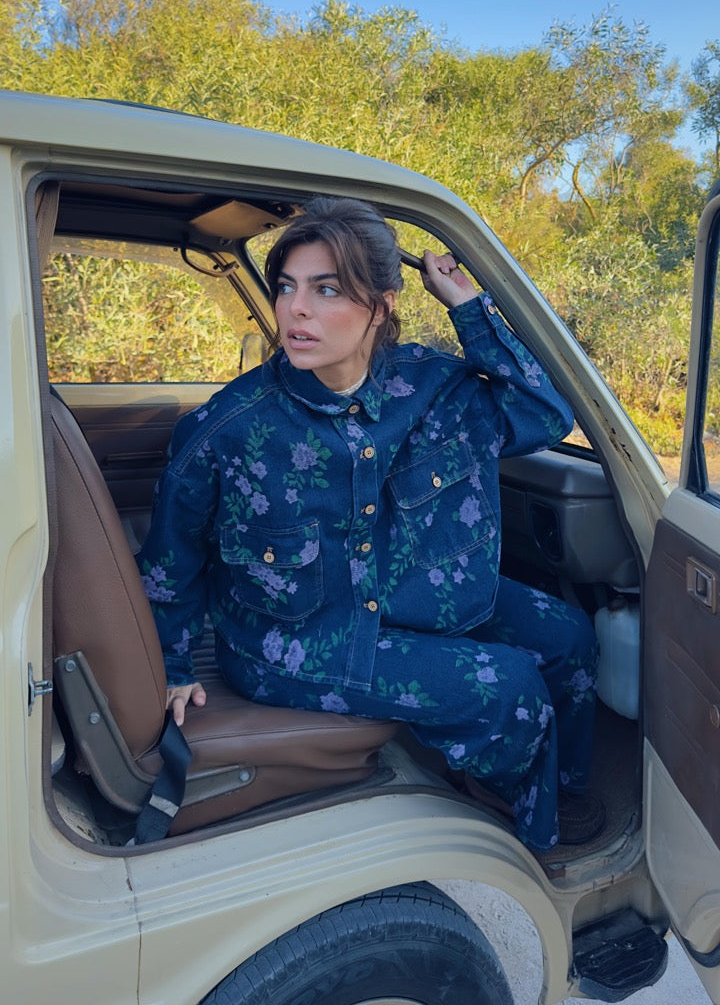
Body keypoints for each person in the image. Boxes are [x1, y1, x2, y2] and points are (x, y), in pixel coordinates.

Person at [138, 196, 601, 853]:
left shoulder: (434, 387)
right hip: (299, 636)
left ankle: (565, 784)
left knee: (567, 636)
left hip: (412, 589)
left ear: (381, 307)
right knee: (509, 688)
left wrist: (467, 307)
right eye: (288, 287)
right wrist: (173, 663)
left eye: (326, 290)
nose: (295, 309)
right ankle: (515, 804)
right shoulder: (227, 430)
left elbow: (546, 414)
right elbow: (171, 557)